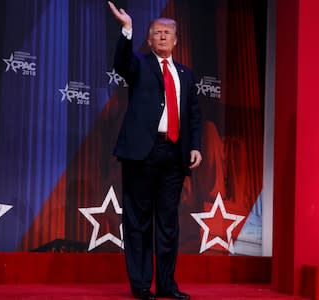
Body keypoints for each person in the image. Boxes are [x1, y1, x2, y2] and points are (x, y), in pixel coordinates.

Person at [108, 2, 202, 300]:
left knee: (168, 224)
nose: (162, 37)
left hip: (173, 155)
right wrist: (127, 29)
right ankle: (140, 286)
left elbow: (194, 114)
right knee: (138, 221)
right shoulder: (139, 64)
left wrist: (195, 146)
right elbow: (122, 63)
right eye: (156, 33)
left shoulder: (186, 74)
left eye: (167, 33)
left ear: (176, 40)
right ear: (149, 39)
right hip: (142, 154)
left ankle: (167, 285)